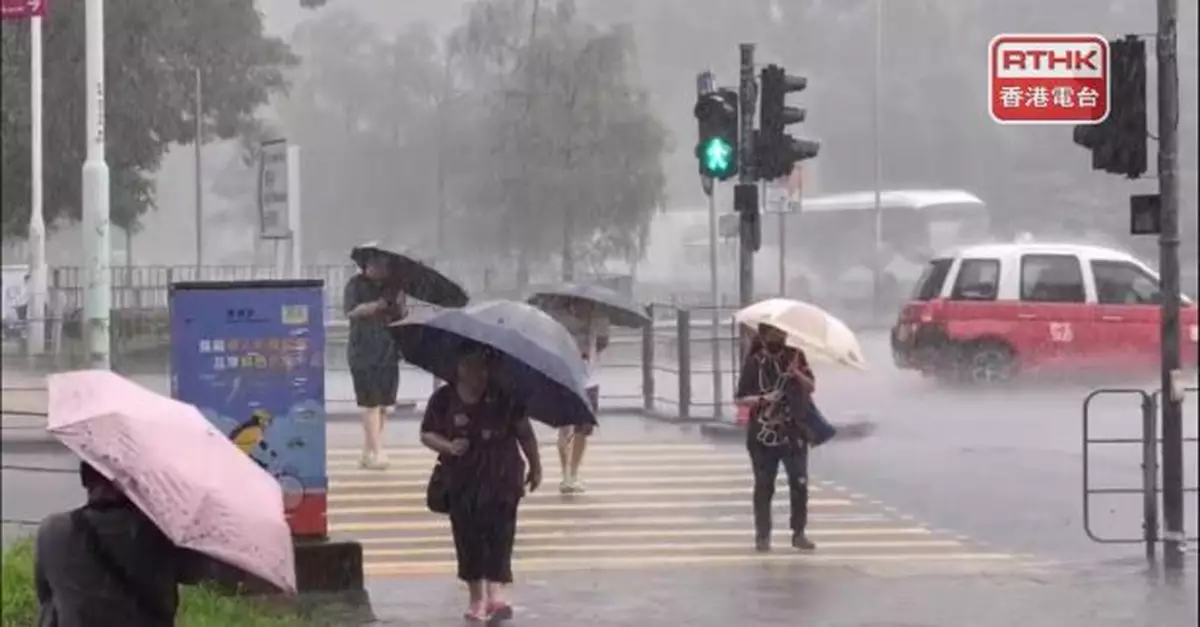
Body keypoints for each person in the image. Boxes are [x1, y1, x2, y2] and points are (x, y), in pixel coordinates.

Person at [419, 345, 542, 622]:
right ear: (459, 367)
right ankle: (476, 597)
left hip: (503, 477)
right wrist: (449, 446)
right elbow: (427, 433)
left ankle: (496, 594)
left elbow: (526, 435)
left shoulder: (505, 396)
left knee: (501, 534)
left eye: (484, 367)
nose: (479, 373)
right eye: (473, 366)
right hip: (462, 480)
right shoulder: (443, 399)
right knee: (468, 537)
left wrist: (536, 466)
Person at [34, 462, 214, 627]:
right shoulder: (161, 532)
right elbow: (203, 574)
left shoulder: (53, 531)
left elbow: (46, 596)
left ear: (85, 478)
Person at [734, 323, 818, 553]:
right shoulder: (755, 363)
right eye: (773, 333)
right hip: (762, 434)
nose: (779, 337)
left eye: (782, 333)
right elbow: (740, 398)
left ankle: (798, 533)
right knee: (764, 485)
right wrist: (763, 399)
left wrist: (797, 374)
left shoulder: (795, 356)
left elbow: (811, 387)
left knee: (799, 482)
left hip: (793, 432)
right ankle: (763, 536)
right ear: (763, 335)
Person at [344, 252, 407, 469]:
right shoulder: (355, 284)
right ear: (367, 264)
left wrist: (398, 303)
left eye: (386, 263)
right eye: (377, 263)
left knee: (384, 405)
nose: (382, 267)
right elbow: (352, 311)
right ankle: (378, 451)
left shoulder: (394, 287)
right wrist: (377, 305)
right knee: (370, 403)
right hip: (363, 352)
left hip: (389, 351)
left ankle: (368, 450)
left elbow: (401, 316)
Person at [544, 299, 609, 494]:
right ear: (572, 304)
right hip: (565, 379)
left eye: (589, 306)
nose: (585, 309)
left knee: (584, 429)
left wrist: (595, 336)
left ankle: (573, 473)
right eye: (581, 305)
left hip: (589, 379)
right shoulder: (559, 320)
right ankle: (565, 475)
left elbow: (603, 343)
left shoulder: (599, 319)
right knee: (565, 428)